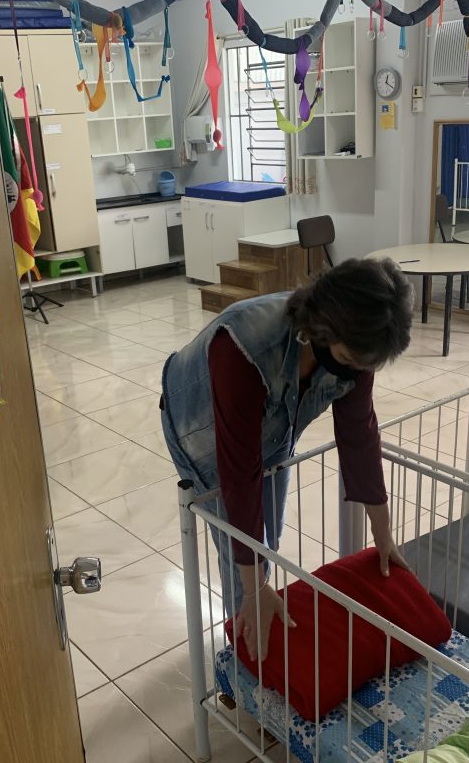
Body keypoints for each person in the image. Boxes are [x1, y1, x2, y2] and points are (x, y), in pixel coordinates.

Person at [160, 258, 414, 662]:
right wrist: (254, 589)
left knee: (267, 541)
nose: (356, 371)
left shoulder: (356, 349)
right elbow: (239, 474)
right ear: (324, 327)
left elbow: (360, 436)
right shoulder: (243, 347)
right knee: (242, 559)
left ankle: (255, 615)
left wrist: (384, 535)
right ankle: (245, 668)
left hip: (271, 432)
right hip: (199, 430)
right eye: (349, 359)